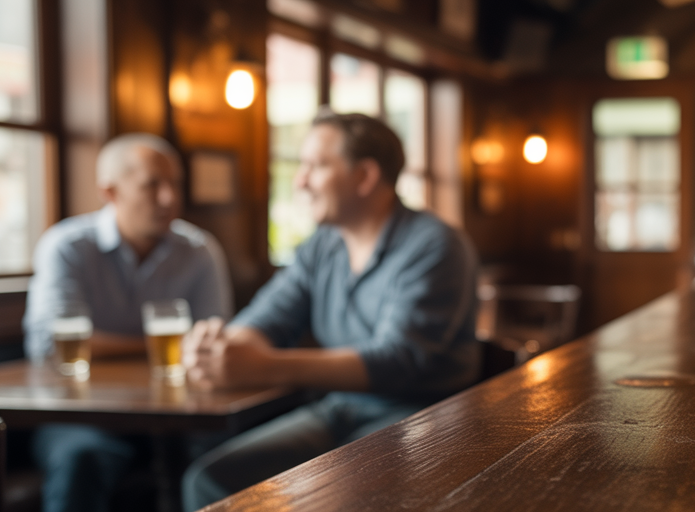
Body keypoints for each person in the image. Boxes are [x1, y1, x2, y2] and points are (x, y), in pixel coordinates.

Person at [179, 112, 479, 509]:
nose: (299, 180)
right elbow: (268, 317)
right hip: (340, 407)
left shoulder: (434, 244)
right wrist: (221, 350)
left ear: (366, 176)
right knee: (210, 481)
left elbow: (397, 360)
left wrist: (263, 365)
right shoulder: (323, 245)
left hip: (424, 417)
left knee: (326, 497)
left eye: (316, 166)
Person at [23, 133, 232, 512]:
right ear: (110, 192)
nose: (170, 198)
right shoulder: (68, 246)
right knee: (80, 458)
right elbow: (50, 345)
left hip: (178, 415)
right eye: (153, 185)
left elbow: (212, 347)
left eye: (175, 184)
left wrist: (106, 343)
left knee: (217, 459)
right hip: (81, 415)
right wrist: (154, 345)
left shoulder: (199, 252)